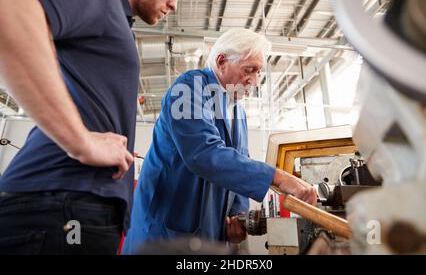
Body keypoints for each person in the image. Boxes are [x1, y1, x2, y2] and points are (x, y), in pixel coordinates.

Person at [0, 0, 190, 255]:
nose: (173, 4)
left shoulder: (115, 18)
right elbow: (9, 3)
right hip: (59, 207)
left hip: (72, 209)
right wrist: (80, 141)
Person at [122, 28, 317, 254]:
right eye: (249, 70)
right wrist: (278, 177)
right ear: (222, 61)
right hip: (164, 230)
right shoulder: (189, 89)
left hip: (208, 232)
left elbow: (238, 165)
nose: (254, 81)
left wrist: (237, 215)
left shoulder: (238, 113)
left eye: (258, 72)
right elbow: (203, 153)